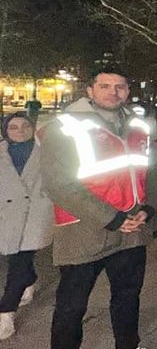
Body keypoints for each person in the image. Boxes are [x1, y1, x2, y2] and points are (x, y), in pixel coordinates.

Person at [41, 67, 157, 349]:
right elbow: (58, 184)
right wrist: (113, 218)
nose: (114, 92)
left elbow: (153, 170)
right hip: (85, 231)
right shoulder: (66, 126)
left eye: (120, 86)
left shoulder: (139, 125)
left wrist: (149, 209)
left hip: (132, 230)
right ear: (90, 90)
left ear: (128, 91)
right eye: (105, 86)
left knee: (128, 297)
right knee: (71, 307)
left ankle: (128, 344)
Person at [0, 113, 53, 341]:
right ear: (5, 130)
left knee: (19, 261)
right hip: (7, 213)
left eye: (25, 126)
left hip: (36, 212)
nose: (20, 130)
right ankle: (30, 279)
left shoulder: (47, 151)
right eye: (13, 127)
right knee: (17, 258)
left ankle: (6, 312)